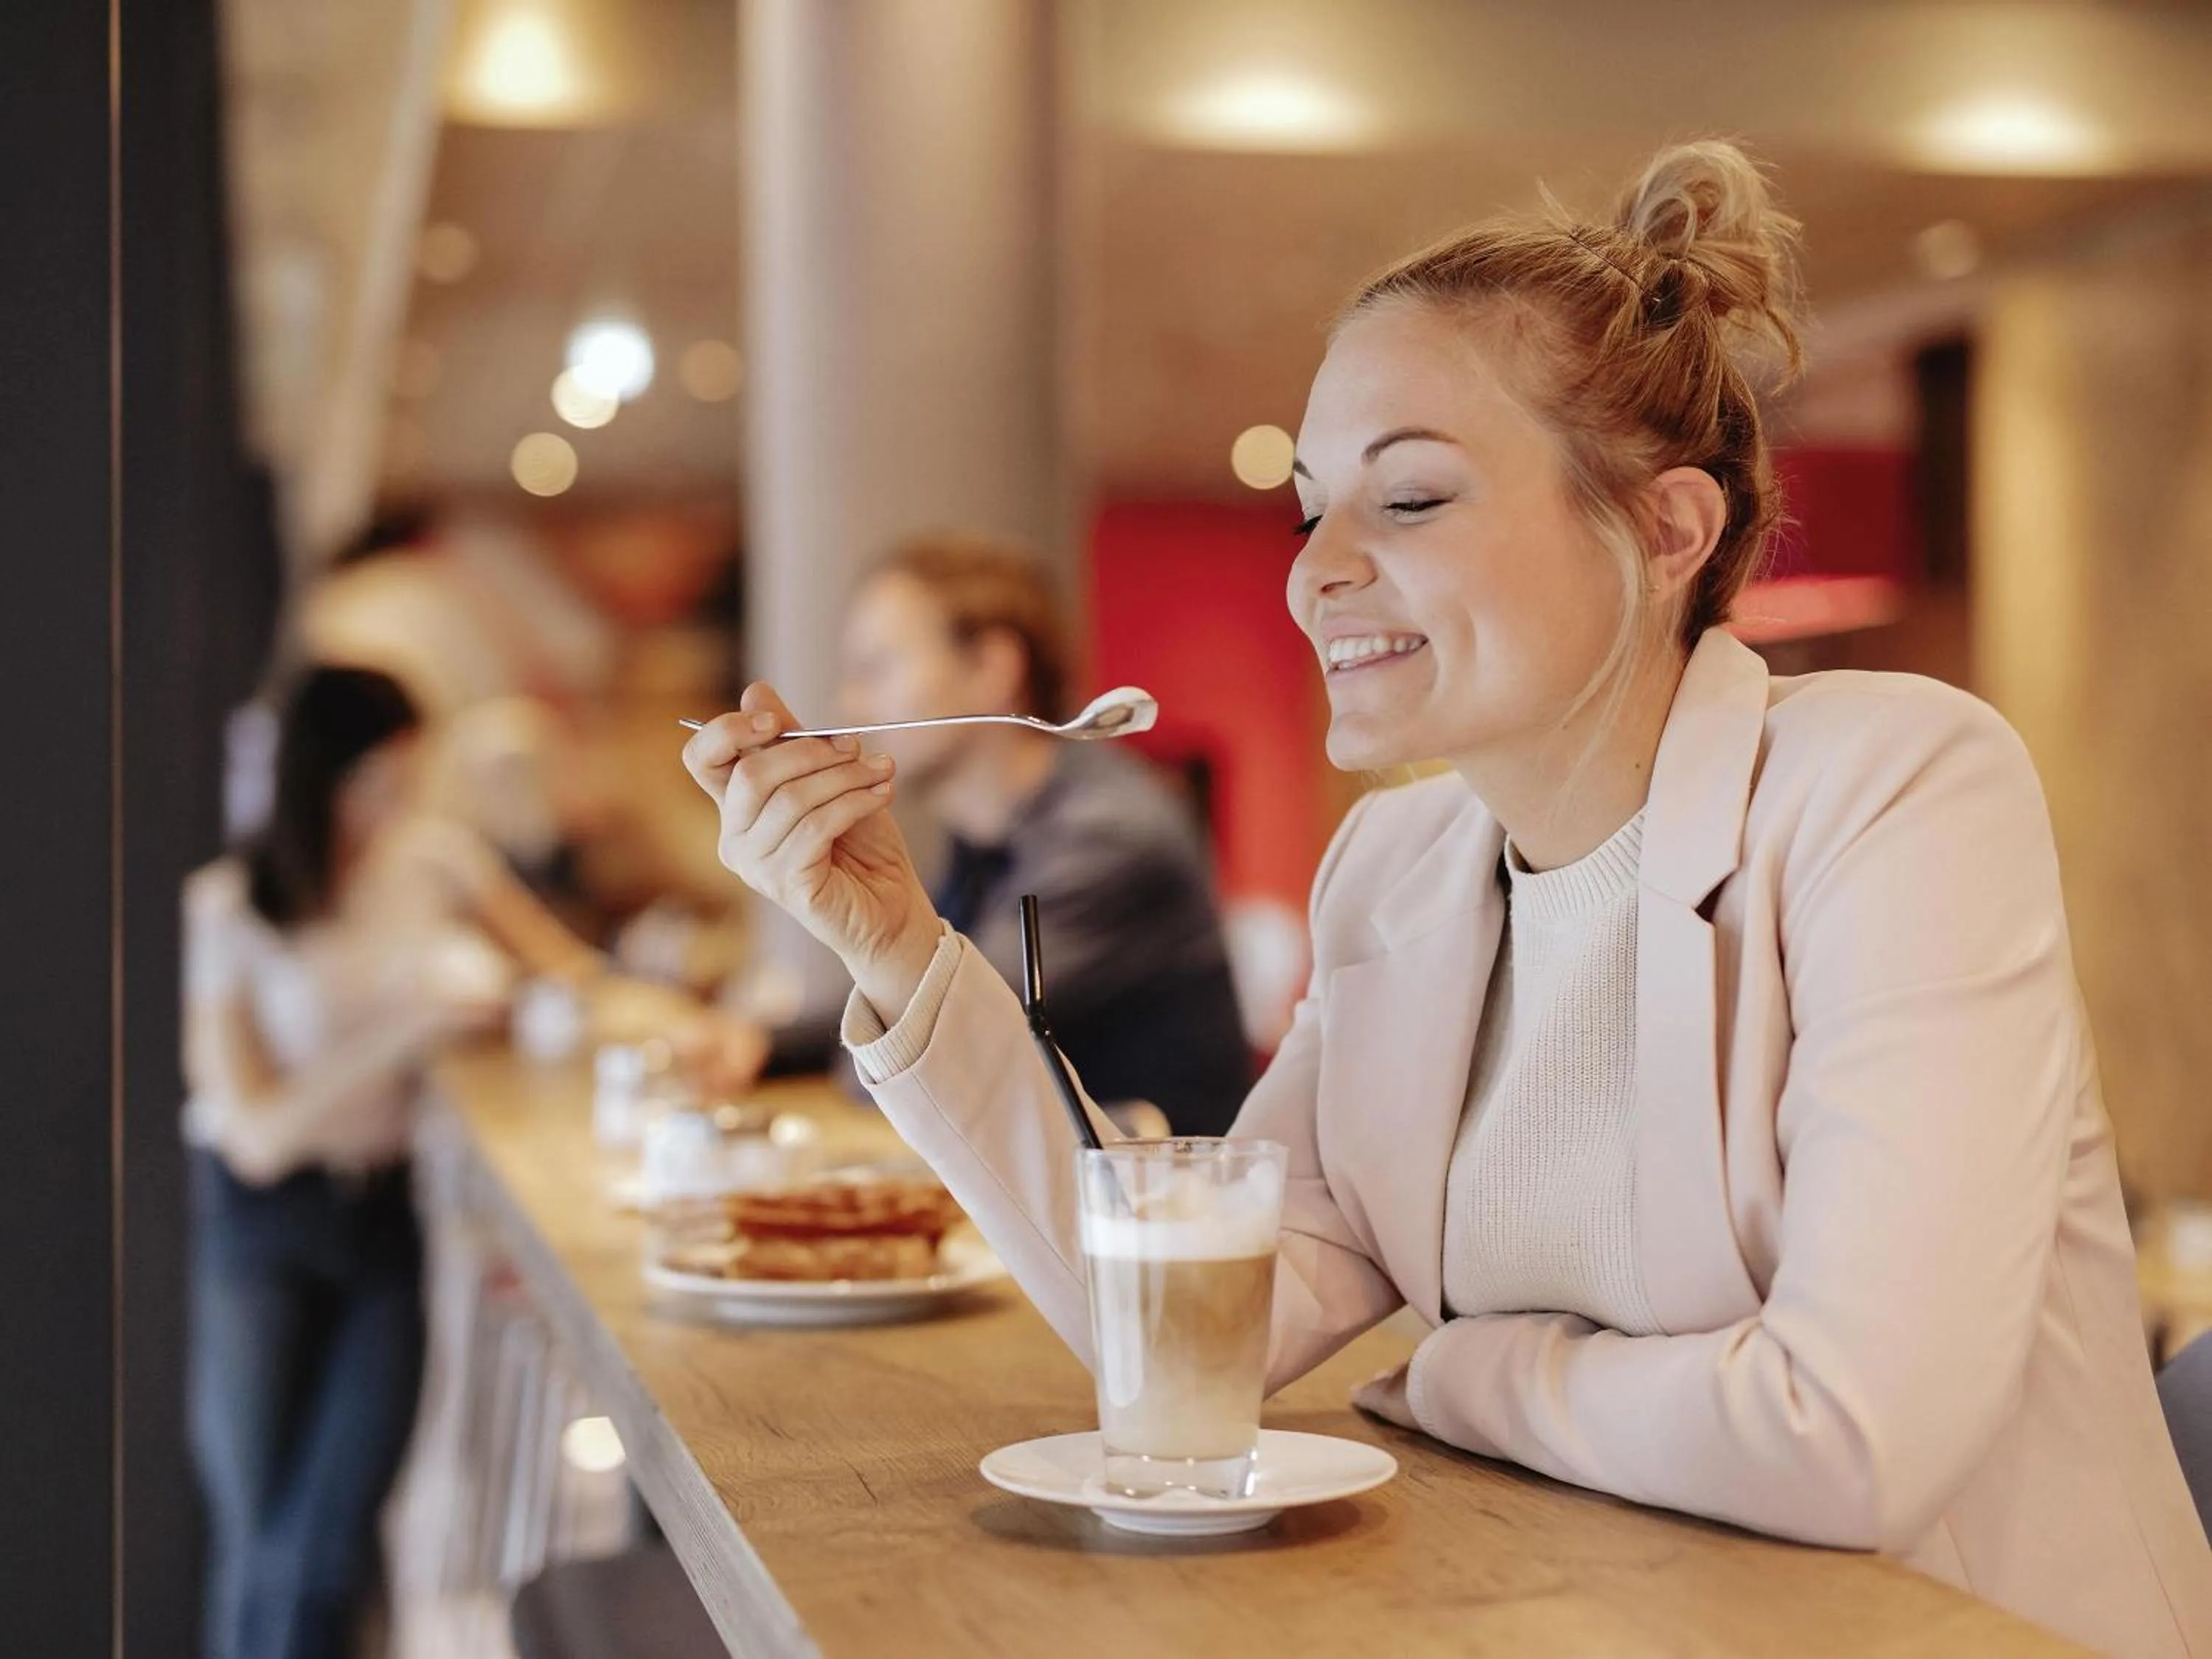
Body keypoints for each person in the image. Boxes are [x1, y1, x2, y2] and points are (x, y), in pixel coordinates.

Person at [685, 140, 2212, 1656]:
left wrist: (1464, 1372)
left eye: (1408, 501)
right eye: (1309, 510)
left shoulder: (1897, 791)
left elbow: (1850, 1437)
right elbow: (1184, 1331)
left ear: (1669, 533)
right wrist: (893, 942)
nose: (1315, 574)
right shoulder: (1398, 873)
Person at [184, 666, 750, 1659]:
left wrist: (694, 1026)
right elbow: (255, 1129)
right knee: (262, 1535)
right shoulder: (230, 905)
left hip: (380, 1216)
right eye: (376, 781)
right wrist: (409, 1031)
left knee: (337, 1527)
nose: (394, 805)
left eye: (405, 778)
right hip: (261, 1222)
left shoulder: (436, 862)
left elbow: (572, 977)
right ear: (323, 777)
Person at [759, 535, 1251, 1136]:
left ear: (992, 669)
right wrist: (762, 1046)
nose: (850, 701)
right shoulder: (984, 838)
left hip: (1157, 1211)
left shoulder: (1107, 836)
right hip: (1056, 1195)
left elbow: (938, 1033)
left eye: (877, 668)